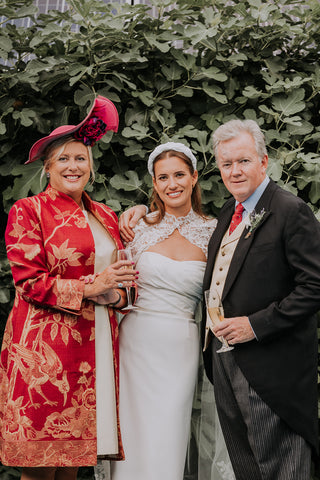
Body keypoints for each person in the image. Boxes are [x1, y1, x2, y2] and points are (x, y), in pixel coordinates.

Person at [0, 96, 138, 480]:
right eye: (64, 159)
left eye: (81, 158)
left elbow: (123, 279)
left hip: (95, 350)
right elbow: (29, 282)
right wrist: (95, 286)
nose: (73, 166)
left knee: (75, 463)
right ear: (48, 168)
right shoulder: (29, 210)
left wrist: (119, 292)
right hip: (46, 352)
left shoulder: (107, 215)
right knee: (40, 466)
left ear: (91, 167)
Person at [201, 119, 320, 479]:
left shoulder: (289, 210)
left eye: (244, 161)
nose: (234, 172)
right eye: (226, 164)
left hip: (272, 363)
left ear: (264, 161)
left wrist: (256, 325)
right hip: (223, 358)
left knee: (281, 466)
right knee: (246, 464)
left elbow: (315, 285)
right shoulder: (229, 212)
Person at [110, 142, 234, 480]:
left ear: (194, 178)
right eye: (162, 177)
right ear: (154, 183)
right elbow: (119, 283)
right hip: (134, 340)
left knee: (168, 430)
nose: (171, 184)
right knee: (131, 433)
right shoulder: (136, 227)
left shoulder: (214, 233)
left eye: (179, 175)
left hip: (179, 343)